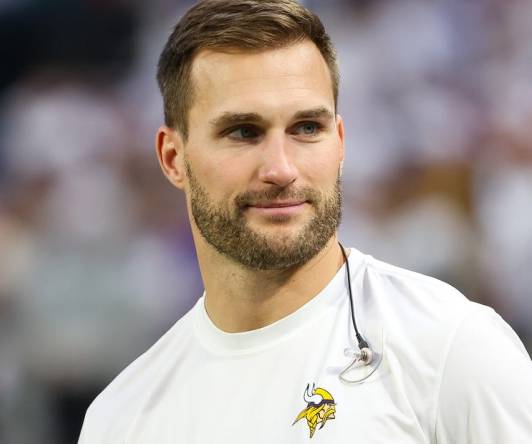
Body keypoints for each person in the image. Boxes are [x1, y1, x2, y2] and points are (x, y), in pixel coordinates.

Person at [78, 0, 532, 442]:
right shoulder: (121, 419)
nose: (281, 168)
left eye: (306, 129)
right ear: (173, 158)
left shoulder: (452, 349)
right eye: (243, 132)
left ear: (339, 142)